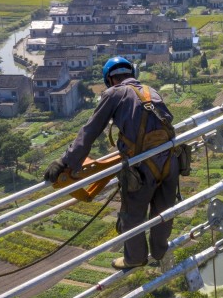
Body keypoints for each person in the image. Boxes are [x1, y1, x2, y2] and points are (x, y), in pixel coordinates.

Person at [43, 56, 178, 270]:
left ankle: (135, 258)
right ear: (132, 73)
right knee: (163, 211)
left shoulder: (114, 93)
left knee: (132, 214)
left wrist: (65, 161)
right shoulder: (152, 91)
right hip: (170, 162)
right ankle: (159, 251)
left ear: (110, 79)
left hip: (142, 168)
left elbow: (90, 131)